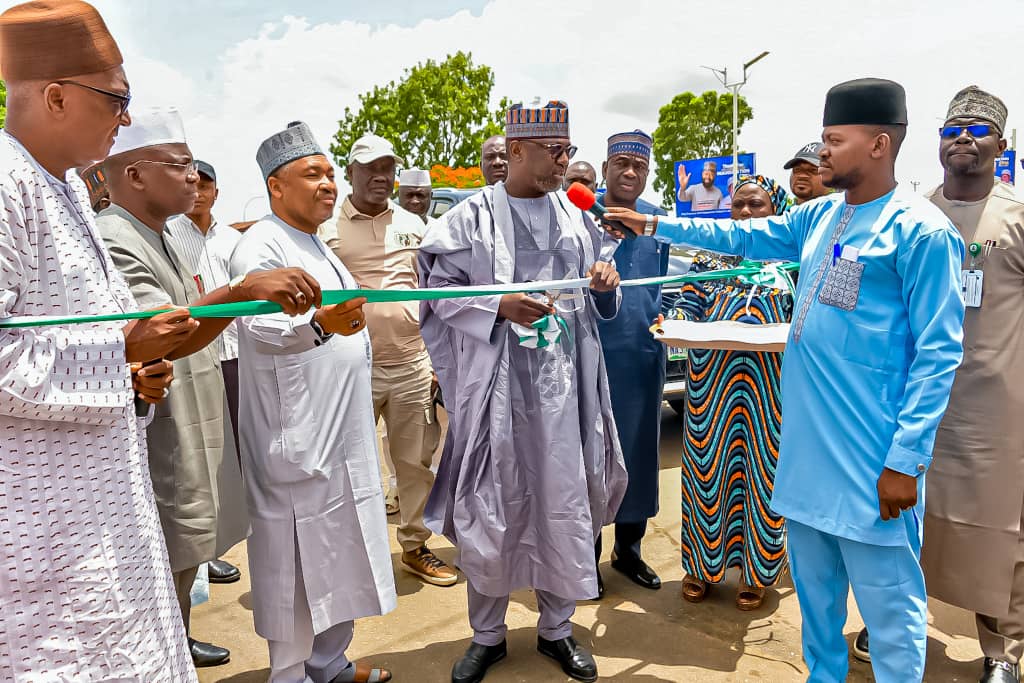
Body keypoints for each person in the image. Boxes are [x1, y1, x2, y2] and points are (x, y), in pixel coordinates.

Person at [604, 78, 966, 683]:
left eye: (834, 139)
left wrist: (907, 460)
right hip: (803, 461)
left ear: (879, 144)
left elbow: (939, 354)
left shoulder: (920, 232)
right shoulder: (821, 217)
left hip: (872, 463)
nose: (823, 152)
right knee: (818, 612)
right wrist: (656, 225)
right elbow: (739, 235)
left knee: (891, 614)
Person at [0, 2, 197, 680]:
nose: (124, 117)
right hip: (39, 525)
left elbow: (80, 327)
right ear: (54, 96)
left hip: (104, 502)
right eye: (116, 99)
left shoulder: (72, 191)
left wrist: (127, 372)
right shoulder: (3, 182)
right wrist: (119, 357)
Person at [98, 107, 318, 668]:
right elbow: (163, 333)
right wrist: (244, 289)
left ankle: (178, 639)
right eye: (180, 164)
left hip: (193, 414)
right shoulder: (115, 238)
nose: (193, 176)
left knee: (186, 551)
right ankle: (165, 653)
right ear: (134, 175)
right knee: (164, 556)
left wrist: (239, 295)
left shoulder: (166, 234)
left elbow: (195, 322)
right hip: (160, 427)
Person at [420, 100, 628, 683]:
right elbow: (435, 291)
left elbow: (599, 293)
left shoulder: (576, 216)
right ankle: (487, 635)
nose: (563, 163)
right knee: (492, 503)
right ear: (515, 150)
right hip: (498, 390)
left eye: (567, 151)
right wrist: (498, 305)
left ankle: (557, 629)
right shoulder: (471, 217)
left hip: (565, 392)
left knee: (565, 499)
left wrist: (604, 284)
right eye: (552, 152)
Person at [857, 86, 1023, 683]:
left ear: (1001, 146)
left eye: (978, 130)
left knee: (1000, 531)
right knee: (902, 520)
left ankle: (1001, 652)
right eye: (954, 127)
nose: (964, 138)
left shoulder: (1016, 218)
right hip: (915, 403)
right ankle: (890, 627)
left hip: (994, 411)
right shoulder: (912, 215)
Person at [233, 121, 396, 683]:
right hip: (295, 439)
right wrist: (321, 328)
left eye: (331, 174)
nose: (329, 184)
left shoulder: (314, 244)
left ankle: (330, 664)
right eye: (315, 174)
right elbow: (260, 329)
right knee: (296, 566)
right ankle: (290, 674)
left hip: (339, 436)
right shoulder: (260, 245)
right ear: (277, 186)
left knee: (340, 554)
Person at [319, 134, 454, 587]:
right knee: (348, 462)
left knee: (415, 461)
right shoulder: (327, 228)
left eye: (387, 169)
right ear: (350, 171)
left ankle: (415, 546)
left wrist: (438, 355)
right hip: (351, 363)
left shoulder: (416, 224)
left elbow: (434, 288)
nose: (380, 177)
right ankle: (352, 555)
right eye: (368, 168)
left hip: (413, 362)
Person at [665, 175, 792, 612]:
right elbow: (688, 302)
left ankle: (757, 573)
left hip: (770, 388)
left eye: (756, 205)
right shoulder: (711, 258)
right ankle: (701, 566)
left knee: (762, 475)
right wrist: (676, 321)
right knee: (708, 471)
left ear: (774, 210)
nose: (745, 213)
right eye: (738, 205)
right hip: (711, 384)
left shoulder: (791, 261)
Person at [593, 130, 669, 598]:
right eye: (621, 163)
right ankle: (587, 556)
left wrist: (668, 315)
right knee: (595, 456)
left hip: (644, 353)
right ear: (604, 168)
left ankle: (629, 550)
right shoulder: (582, 215)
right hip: (596, 353)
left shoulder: (656, 221)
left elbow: (663, 283)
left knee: (639, 452)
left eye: (639, 166)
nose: (629, 172)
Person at [165, 159, 244, 586]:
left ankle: (215, 544)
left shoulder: (232, 239)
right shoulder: (169, 236)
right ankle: (203, 553)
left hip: (233, 356)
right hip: (190, 358)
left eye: (206, 184)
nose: (198, 190)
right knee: (201, 454)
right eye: (192, 182)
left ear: (216, 191)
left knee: (229, 452)